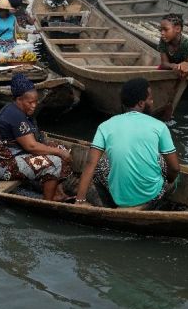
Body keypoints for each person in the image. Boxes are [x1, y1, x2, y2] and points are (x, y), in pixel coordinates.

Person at [72, 78, 181, 210]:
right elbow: (175, 168)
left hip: (118, 196)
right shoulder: (159, 126)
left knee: (100, 165)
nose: (152, 102)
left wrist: (80, 201)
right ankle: (147, 202)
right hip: (151, 195)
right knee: (168, 168)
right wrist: (169, 180)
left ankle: (112, 205)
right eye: (150, 99)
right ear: (141, 104)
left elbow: (90, 164)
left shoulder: (105, 126)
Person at [0, 74, 72, 201]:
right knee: (55, 162)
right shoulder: (14, 115)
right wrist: (59, 152)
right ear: (19, 100)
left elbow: (34, 141)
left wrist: (59, 150)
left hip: (19, 154)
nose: (34, 105)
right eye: (30, 102)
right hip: (4, 164)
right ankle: (47, 202)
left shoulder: (22, 112)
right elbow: (31, 146)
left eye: (35, 101)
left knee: (62, 148)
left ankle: (57, 193)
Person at [158, 13, 188, 79]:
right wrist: (173, 66)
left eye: (166, 30)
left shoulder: (187, 43)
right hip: (172, 65)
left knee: (184, 72)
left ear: (178, 29)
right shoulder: (163, 41)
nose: (162, 33)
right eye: (161, 30)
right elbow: (164, 63)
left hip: (186, 65)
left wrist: (182, 65)